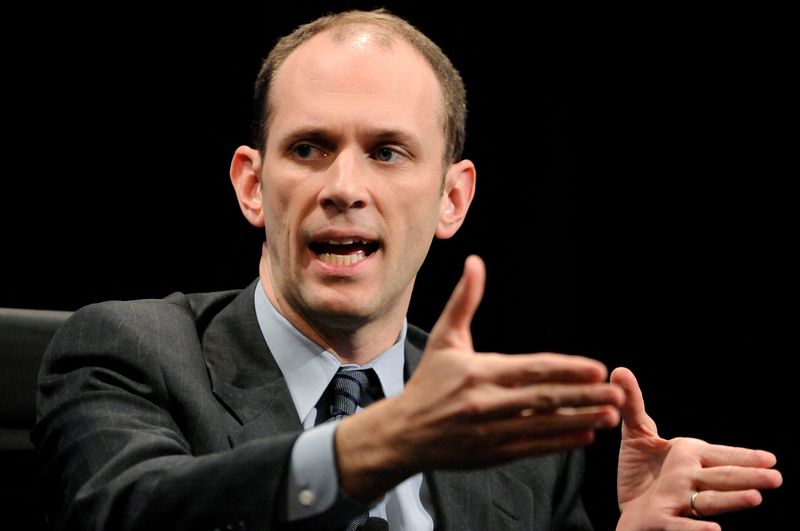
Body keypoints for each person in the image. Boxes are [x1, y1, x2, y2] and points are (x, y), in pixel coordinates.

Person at [33, 9, 782, 531]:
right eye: (309, 148)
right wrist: (382, 442)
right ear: (251, 185)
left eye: (387, 152)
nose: (345, 187)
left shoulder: (518, 443)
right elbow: (127, 514)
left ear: (452, 198)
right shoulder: (128, 351)